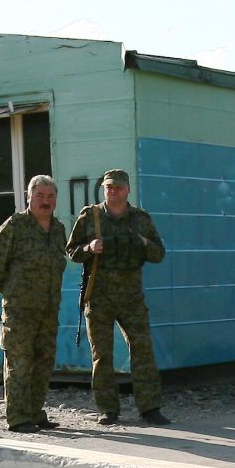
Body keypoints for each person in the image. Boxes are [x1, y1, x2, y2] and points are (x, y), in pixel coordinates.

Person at [67, 169, 169, 425]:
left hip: (131, 297)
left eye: (118, 187)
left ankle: (149, 408)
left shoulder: (140, 219)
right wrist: (88, 248)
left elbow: (159, 255)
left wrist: (145, 243)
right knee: (102, 354)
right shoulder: (90, 217)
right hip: (99, 297)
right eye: (109, 187)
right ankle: (108, 409)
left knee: (142, 348)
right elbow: (71, 251)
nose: (113, 191)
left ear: (127, 190)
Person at [0, 175, 67, 432]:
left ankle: (34, 411)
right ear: (28, 197)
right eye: (40, 196)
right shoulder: (15, 225)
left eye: (50, 196)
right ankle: (18, 418)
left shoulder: (58, 229)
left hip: (48, 308)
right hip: (20, 309)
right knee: (19, 364)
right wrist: (11, 292)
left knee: (44, 361)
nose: (45, 201)